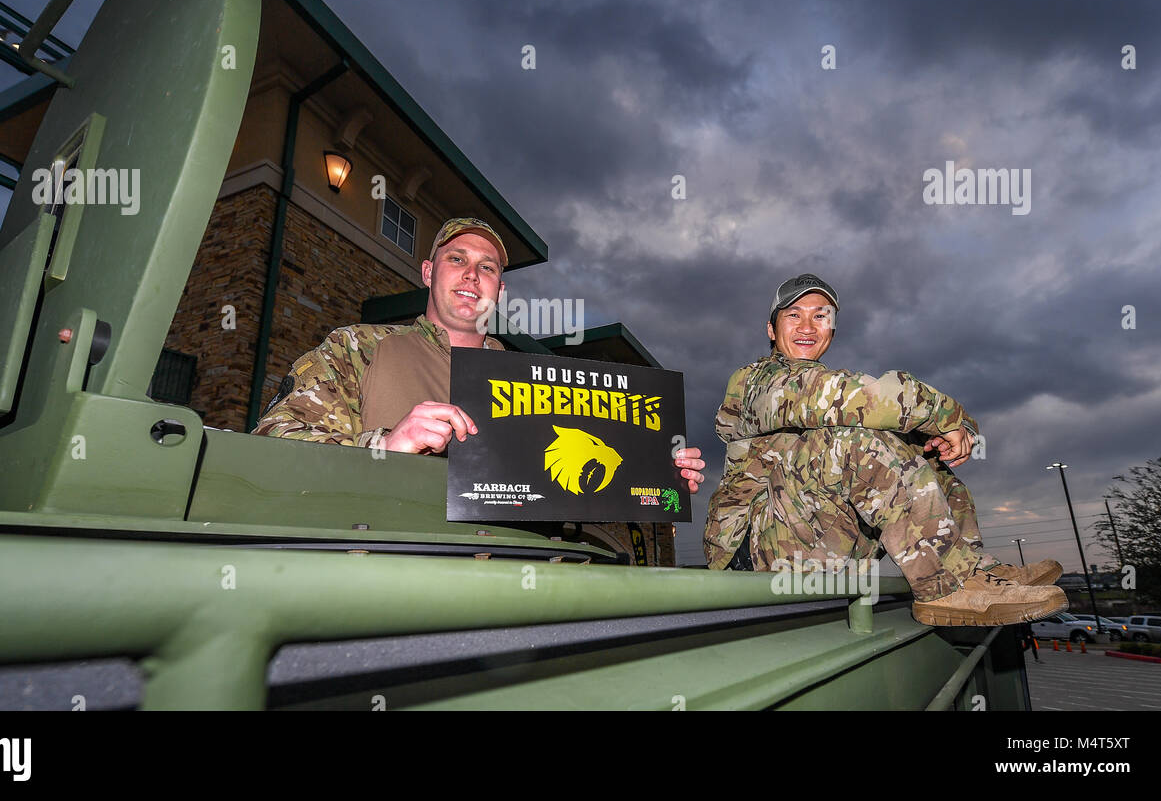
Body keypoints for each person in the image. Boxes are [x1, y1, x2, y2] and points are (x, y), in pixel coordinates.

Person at [253, 217, 706, 551]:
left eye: (487, 268)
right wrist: (386, 446)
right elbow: (271, 453)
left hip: (511, 587)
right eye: (457, 260)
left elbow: (569, 483)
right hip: (391, 575)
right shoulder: (358, 348)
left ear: (500, 291)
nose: (472, 275)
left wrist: (656, 472)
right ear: (429, 272)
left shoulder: (533, 381)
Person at [703, 273, 1065, 626]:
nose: (807, 327)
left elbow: (875, 419)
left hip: (816, 539)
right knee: (852, 442)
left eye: (821, 316)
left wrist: (942, 437)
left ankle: (974, 568)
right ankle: (943, 586)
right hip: (752, 554)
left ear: (832, 330)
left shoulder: (818, 386)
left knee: (926, 460)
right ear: (771, 330)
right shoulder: (754, 382)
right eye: (793, 315)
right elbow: (858, 397)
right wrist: (948, 417)